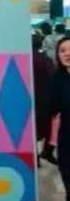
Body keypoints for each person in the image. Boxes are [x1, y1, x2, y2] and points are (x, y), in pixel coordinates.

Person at [49, 37, 70, 201]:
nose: (66, 53)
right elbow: (51, 108)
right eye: (62, 50)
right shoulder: (56, 80)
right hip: (68, 143)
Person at [33, 34, 56, 163]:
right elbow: (52, 78)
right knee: (47, 126)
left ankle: (34, 156)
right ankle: (46, 151)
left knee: (29, 128)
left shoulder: (22, 59)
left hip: (26, 97)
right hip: (43, 97)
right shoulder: (46, 60)